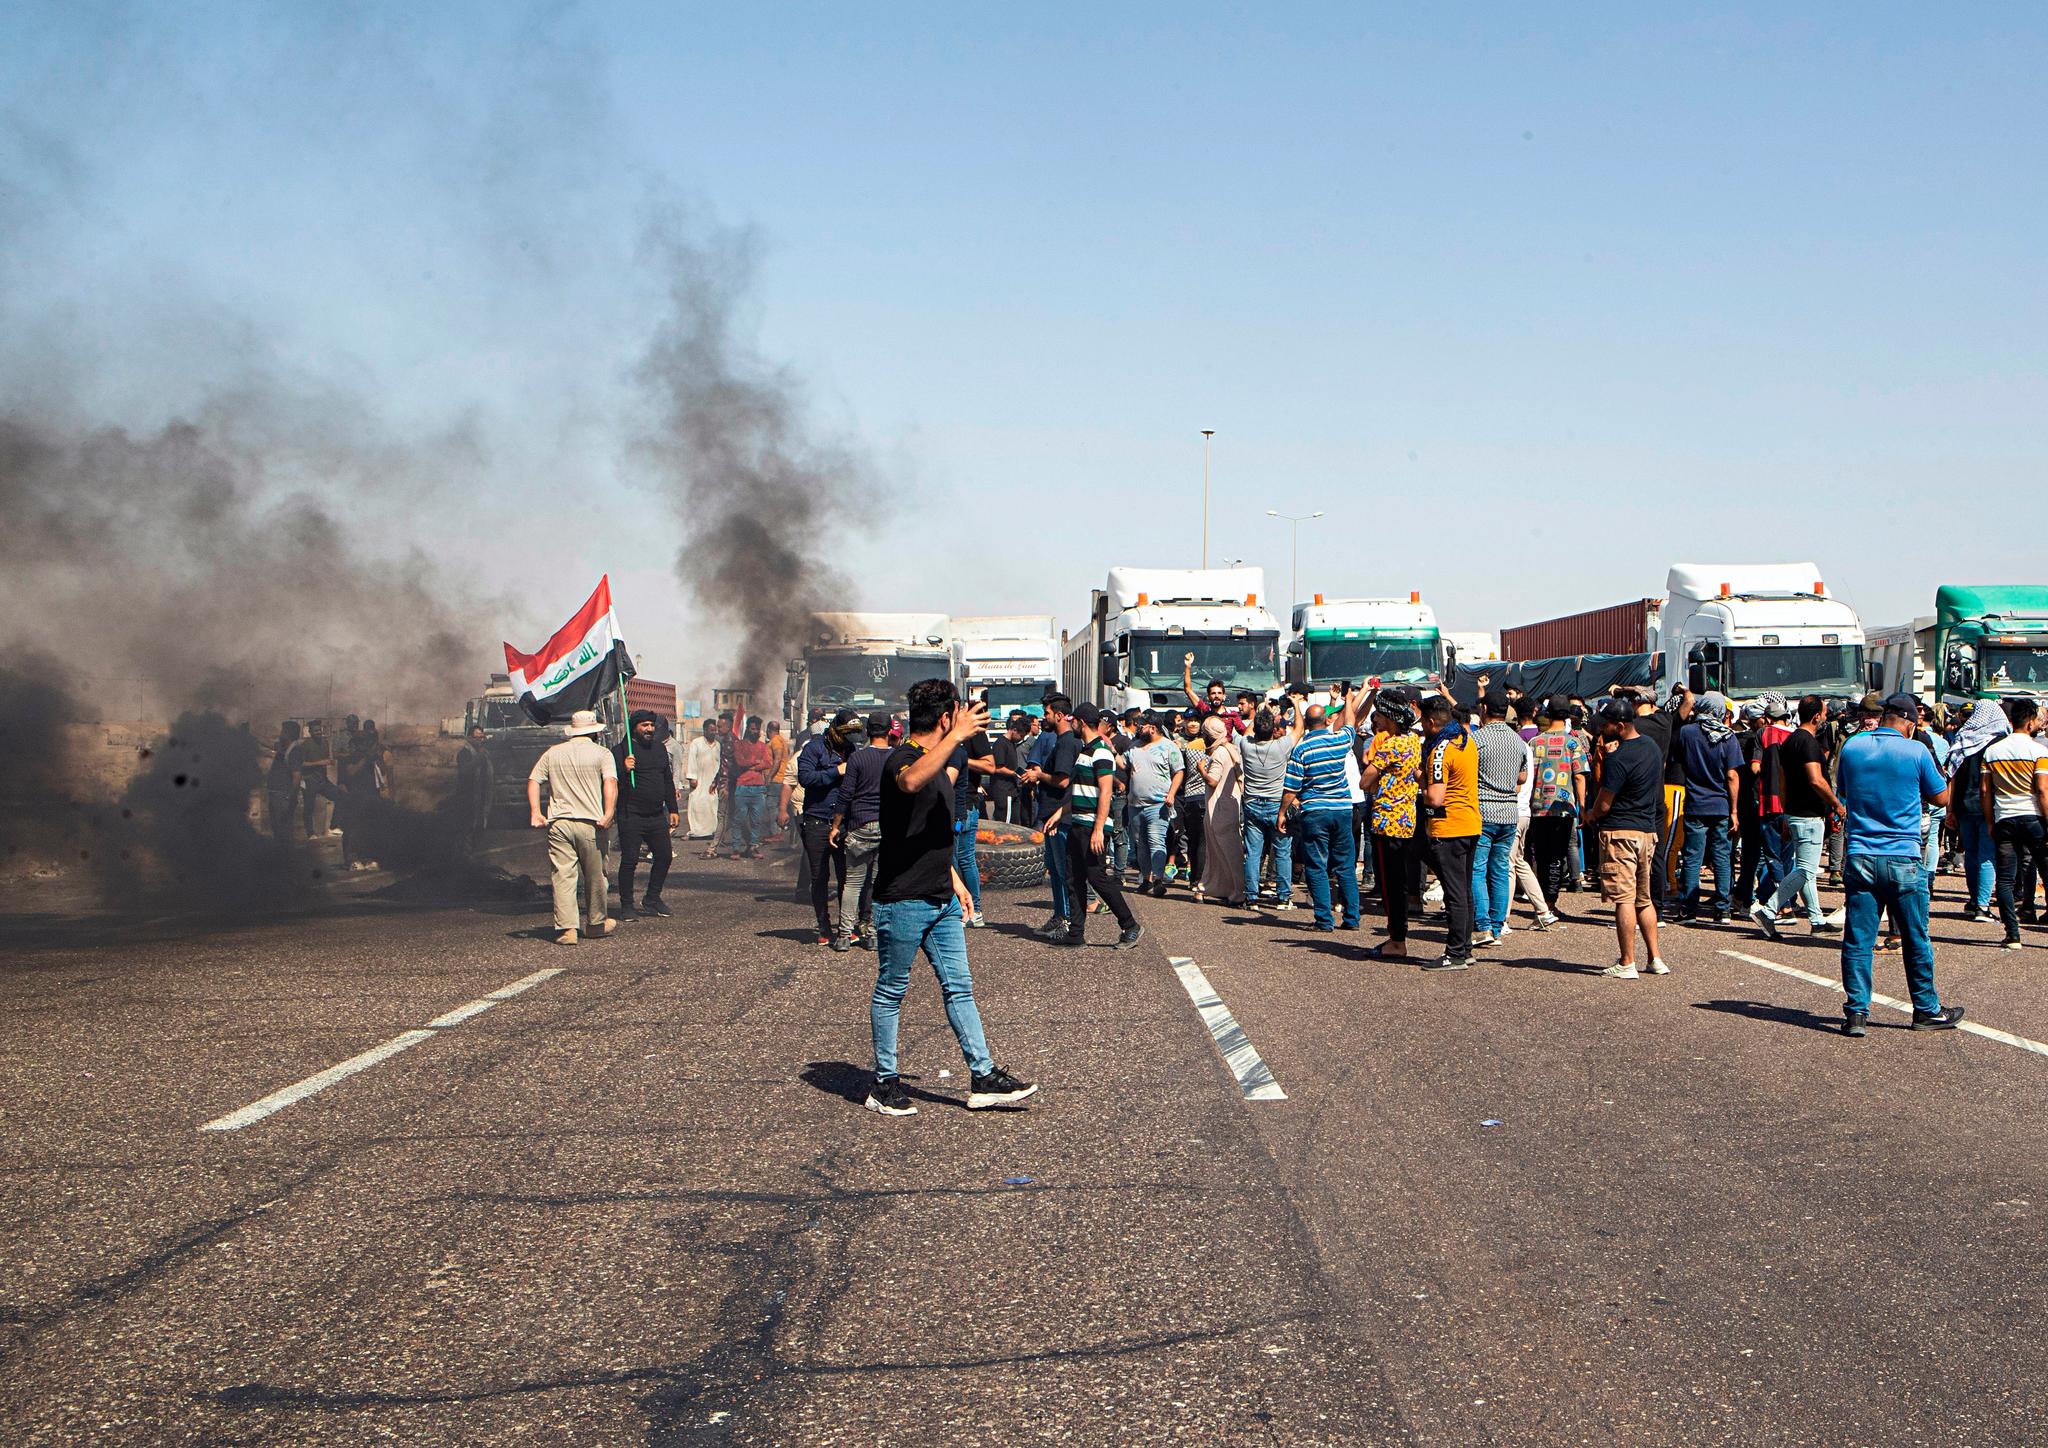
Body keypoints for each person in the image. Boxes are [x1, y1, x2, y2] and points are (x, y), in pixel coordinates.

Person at [863, 678, 1037, 1116]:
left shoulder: (941, 764)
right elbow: (909, 783)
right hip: (902, 899)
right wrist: (957, 736)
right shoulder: (901, 758)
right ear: (945, 718)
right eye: (957, 716)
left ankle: (983, 1077)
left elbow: (935, 834)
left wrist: (955, 879)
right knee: (892, 990)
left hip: (941, 898)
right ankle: (884, 1083)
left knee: (960, 988)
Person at [1834, 694, 1962, 1036]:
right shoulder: (1916, 751)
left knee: (1858, 940)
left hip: (1861, 853)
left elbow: (1844, 789)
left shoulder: (1852, 748)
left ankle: (1856, 1013)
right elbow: (1940, 797)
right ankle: (1926, 1010)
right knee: (1915, 937)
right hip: (1903, 855)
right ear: (1909, 723)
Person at [1581, 696, 1667, 979]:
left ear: (1620, 726)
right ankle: (1655, 958)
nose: (1601, 728)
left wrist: (1590, 814)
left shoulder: (1619, 758)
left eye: (1606, 724)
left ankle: (1627, 961)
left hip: (1620, 832)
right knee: (1644, 898)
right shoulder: (1651, 747)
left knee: (1624, 899)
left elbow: (1605, 802)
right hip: (1646, 830)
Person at [1047, 703, 1144, 949]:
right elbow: (1082, 790)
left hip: (1092, 826)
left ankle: (1130, 925)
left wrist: (1099, 829)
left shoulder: (1101, 752)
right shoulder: (1085, 751)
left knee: (1097, 877)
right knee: (1074, 878)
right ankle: (1076, 933)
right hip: (1078, 823)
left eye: (1073, 721)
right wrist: (1060, 813)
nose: (1070, 724)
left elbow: (1105, 792)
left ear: (1080, 722)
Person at [1748, 696, 1843, 939]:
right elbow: (1816, 779)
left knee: (1804, 869)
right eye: (1824, 713)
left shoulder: (1790, 741)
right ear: (1816, 717)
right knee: (1804, 871)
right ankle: (1768, 910)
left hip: (1792, 812)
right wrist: (1836, 804)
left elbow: (1782, 781)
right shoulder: (1808, 742)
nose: (1825, 717)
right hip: (1808, 815)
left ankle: (1817, 920)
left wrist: (1785, 812)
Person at [528, 709, 618, 946]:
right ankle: (596, 924)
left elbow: (534, 780)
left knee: (563, 876)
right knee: (596, 876)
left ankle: (567, 929)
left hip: (559, 823)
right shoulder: (602, 753)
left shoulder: (553, 752)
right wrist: (609, 813)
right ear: (595, 733)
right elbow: (610, 783)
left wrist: (536, 812)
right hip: (591, 822)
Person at [1280, 688, 1366, 932]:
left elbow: (1291, 788)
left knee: (1317, 866)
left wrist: (1282, 812)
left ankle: (1324, 920)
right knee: (1346, 865)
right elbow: (1350, 723)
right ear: (1326, 721)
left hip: (1315, 810)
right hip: (1343, 808)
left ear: (1307, 724)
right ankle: (1352, 918)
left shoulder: (1301, 749)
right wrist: (1349, 701)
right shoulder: (1339, 740)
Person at [1419, 693, 1482, 970]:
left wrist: (1420, 781)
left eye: (1423, 722)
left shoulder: (1440, 750)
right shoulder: (1466, 741)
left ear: (1432, 722)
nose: (1422, 727)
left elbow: (1435, 798)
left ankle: (1455, 952)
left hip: (1449, 827)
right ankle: (1464, 949)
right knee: (1464, 891)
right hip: (1470, 822)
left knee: (1454, 893)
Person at [1357, 694, 1423, 960]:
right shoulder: (1413, 740)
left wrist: (1376, 780)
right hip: (1407, 817)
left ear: (1391, 717)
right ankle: (1397, 936)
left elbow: (1365, 781)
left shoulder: (1391, 744)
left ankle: (1397, 939)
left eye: (1380, 714)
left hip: (1387, 820)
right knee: (1400, 881)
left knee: (1390, 884)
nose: (1376, 719)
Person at [1983, 697, 2048, 949]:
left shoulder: (1992, 751)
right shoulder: (2039, 751)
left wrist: (1991, 822)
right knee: (2045, 870)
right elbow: (2042, 790)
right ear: (2031, 722)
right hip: (2034, 818)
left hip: (2004, 818)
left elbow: (1985, 792)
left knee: (2006, 879)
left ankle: (2012, 934)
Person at [1674, 691, 1745, 923]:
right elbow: (1732, 775)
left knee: (1693, 856)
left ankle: (1688, 909)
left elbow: (1679, 760)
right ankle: (1723, 908)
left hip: (1695, 802)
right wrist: (1734, 810)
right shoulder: (1728, 737)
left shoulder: (1687, 733)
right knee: (1722, 856)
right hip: (1721, 804)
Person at [1469, 687, 1529, 947]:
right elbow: (1522, 777)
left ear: (1484, 709)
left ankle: (1483, 926)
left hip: (1483, 811)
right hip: (1509, 811)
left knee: (1477, 869)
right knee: (1500, 869)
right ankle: (1497, 925)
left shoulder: (1477, 739)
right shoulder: (1518, 741)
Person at [831, 711, 895, 952]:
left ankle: (844, 936)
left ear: (867, 731)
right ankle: (873, 934)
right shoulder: (897, 757)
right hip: (888, 828)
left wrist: (835, 826)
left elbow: (845, 795)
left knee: (853, 884)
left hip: (860, 826)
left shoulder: (857, 758)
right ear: (889, 731)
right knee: (878, 884)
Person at [1022, 695, 1082, 940]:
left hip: (1059, 816)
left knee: (1062, 870)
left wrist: (1038, 776)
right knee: (1055, 870)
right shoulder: (1061, 740)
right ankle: (1059, 915)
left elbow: (1063, 780)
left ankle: (1066, 921)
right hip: (1051, 814)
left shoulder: (1067, 742)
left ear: (1058, 715)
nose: (1043, 718)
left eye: (1046, 713)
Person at [612, 710, 681, 920]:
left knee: (664, 856)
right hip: (630, 814)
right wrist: (623, 769)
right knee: (630, 860)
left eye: (651, 725)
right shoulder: (621, 750)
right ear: (634, 728)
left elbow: (667, 780)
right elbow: (610, 783)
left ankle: (652, 898)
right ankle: (626, 905)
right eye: (644, 725)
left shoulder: (659, 749)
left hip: (656, 815)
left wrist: (673, 809)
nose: (649, 729)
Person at [797, 709, 857, 946]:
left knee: (846, 877)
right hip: (817, 820)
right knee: (819, 876)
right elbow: (805, 778)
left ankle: (845, 926)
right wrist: (836, 771)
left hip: (843, 822)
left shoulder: (852, 750)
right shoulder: (814, 748)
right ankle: (823, 926)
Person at [1947, 699, 2010, 922]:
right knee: (1987, 854)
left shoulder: (1964, 738)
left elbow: (1952, 776)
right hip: (1988, 805)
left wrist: (1950, 809)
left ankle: (1974, 900)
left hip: (1963, 805)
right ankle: (1983, 905)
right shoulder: (1999, 742)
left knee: (1971, 853)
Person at [1524, 695, 1588, 915]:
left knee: (1541, 856)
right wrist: (1583, 807)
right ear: (1568, 716)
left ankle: (1543, 902)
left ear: (1548, 715)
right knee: (1557, 856)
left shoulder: (1535, 742)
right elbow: (1579, 776)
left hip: (1537, 807)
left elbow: (1527, 776)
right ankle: (1550, 904)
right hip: (1563, 808)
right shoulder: (1573, 742)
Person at [1238, 706, 1300, 909]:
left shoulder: (1246, 745)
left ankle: (1251, 897)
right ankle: (1283, 897)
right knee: (1282, 852)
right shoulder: (1281, 745)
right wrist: (1296, 704)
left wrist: (1259, 713)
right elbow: (1299, 729)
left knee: (1253, 853)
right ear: (1273, 729)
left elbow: (1246, 731)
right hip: (1276, 804)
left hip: (1252, 803)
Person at [1124, 713, 1183, 896]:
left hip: (1158, 804)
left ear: (1152, 728)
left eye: (1141, 725)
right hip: (1135, 805)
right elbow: (1123, 763)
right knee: (1140, 843)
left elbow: (1178, 772)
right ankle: (1146, 879)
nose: (1138, 728)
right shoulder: (1134, 746)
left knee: (1156, 841)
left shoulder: (1168, 747)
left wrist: (1171, 794)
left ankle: (1158, 879)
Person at [950, 702, 996, 926]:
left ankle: (974, 910)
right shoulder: (944, 733)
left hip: (967, 804)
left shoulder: (975, 735)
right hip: (950, 804)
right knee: (953, 858)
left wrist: (959, 758)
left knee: (964, 858)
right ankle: (962, 909)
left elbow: (990, 766)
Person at [1174, 711, 1210, 897]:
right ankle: (1197, 880)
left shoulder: (1199, 743)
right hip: (1190, 796)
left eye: (1197, 720)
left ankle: (1195, 879)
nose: (1193, 724)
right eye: (1190, 720)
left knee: (1195, 840)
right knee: (1198, 840)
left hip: (1190, 796)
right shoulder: (1181, 743)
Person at [728, 718, 775, 858]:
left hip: (758, 788)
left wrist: (752, 766)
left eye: (757, 729)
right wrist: (756, 762)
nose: (755, 732)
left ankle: (753, 847)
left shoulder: (763, 746)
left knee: (756, 820)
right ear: (748, 729)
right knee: (739, 819)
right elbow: (740, 761)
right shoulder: (739, 744)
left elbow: (768, 762)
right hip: (742, 786)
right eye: (753, 729)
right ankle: (736, 848)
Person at [452, 722, 494, 853]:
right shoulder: (464, 753)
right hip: (468, 796)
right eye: (477, 737)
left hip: (482, 795)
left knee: (480, 824)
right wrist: (478, 759)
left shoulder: (485, 754)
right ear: (469, 738)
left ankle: (474, 850)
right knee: (467, 825)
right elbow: (464, 771)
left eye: (482, 737)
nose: (480, 740)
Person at [297, 717, 342, 838]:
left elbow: (326, 759)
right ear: (310, 732)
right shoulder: (305, 745)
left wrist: (329, 762)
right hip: (309, 780)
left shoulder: (325, 743)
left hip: (323, 780)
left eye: (319, 730)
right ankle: (310, 833)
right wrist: (318, 763)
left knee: (340, 796)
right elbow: (300, 764)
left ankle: (334, 826)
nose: (318, 732)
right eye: (316, 730)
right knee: (309, 808)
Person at [984, 713, 1029, 825]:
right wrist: (1014, 773)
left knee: (1014, 822)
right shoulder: (1001, 744)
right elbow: (998, 768)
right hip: (1004, 790)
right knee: (1005, 823)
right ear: (1014, 730)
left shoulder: (1012, 743)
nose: (1021, 739)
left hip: (1012, 790)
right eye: (1021, 736)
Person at [683, 719, 722, 841]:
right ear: (704, 730)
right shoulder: (696, 743)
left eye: (715, 730)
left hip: (713, 781)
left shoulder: (718, 745)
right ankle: (696, 831)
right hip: (699, 780)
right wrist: (692, 777)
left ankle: (712, 831)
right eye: (711, 730)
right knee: (697, 804)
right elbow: (692, 760)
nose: (713, 732)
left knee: (712, 805)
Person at [266, 721, 301, 842]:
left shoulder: (294, 751)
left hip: (283, 795)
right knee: (277, 828)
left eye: (283, 731)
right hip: (276, 793)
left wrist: (290, 798)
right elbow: (269, 744)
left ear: (288, 734)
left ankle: (286, 851)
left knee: (283, 829)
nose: (280, 733)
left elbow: (296, 777)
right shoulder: (283, 747)